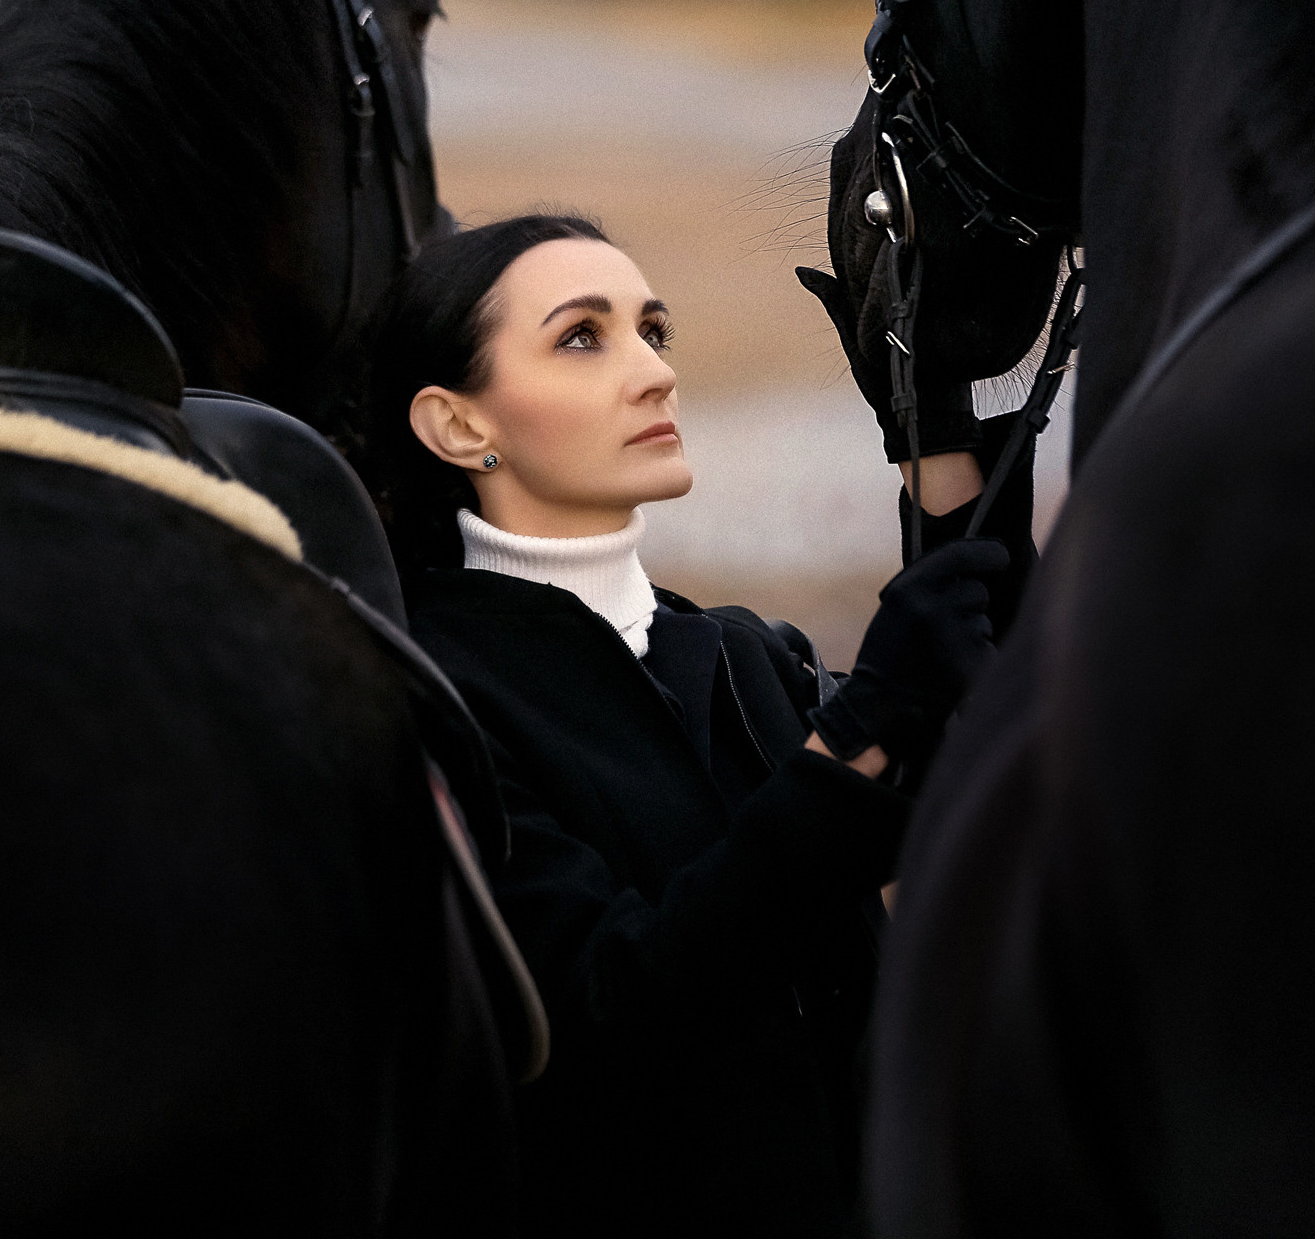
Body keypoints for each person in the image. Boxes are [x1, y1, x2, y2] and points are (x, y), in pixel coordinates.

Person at [363, 213, 1037, 1239]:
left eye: (654, 331)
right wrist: (857, 723)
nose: (653, 373)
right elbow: (602, 1013)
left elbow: (970, 795)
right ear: (459, 425)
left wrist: (934, 428)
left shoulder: (736, 652)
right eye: (584, 337)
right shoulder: (431, 688)